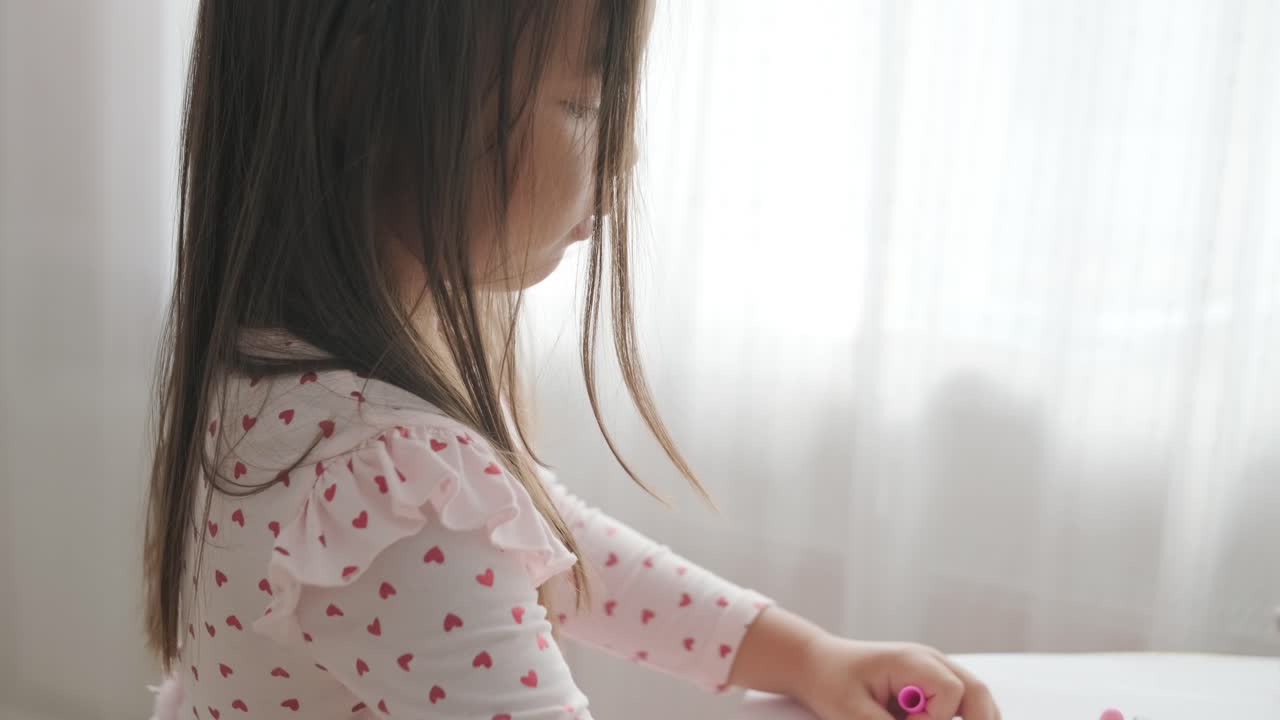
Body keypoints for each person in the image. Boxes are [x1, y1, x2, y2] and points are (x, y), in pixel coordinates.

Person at [142, 2, 1002, 718]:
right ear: (367, 90)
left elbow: (547, 536)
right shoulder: (388, 476)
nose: (624, 156)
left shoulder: (284, 384)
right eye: (587, 107)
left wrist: (801, 655)